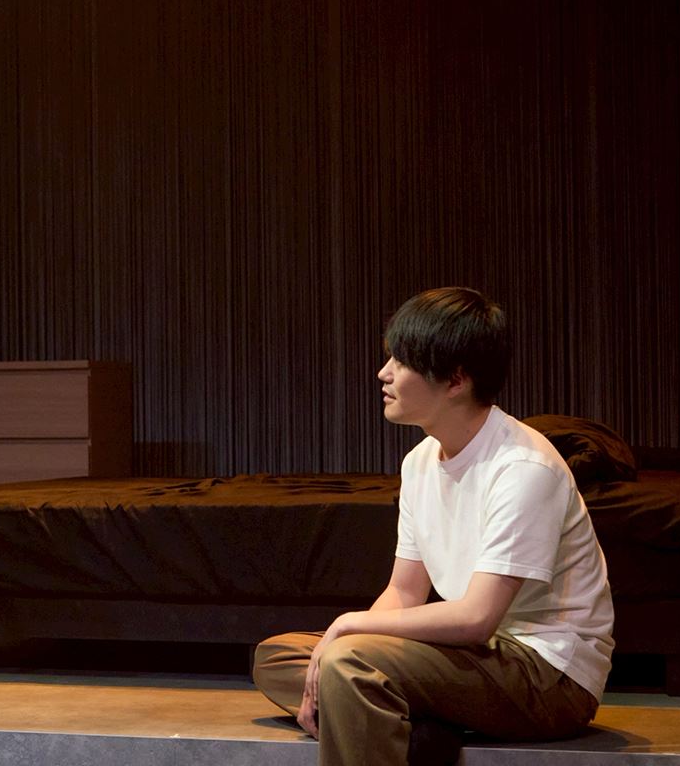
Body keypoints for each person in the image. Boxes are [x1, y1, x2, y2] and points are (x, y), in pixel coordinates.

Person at [252, 287, 614, 765]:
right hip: (474, 657)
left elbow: (477, 618)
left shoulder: (523, 467)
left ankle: (389, 712)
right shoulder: (420, 461)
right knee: (277, 657)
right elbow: (404, 592)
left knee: (346, 663)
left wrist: (349, 629)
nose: (384, 373)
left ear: (455, 380)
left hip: (545, 674)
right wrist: (354, 641)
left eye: (402, 361)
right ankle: (417, 724)